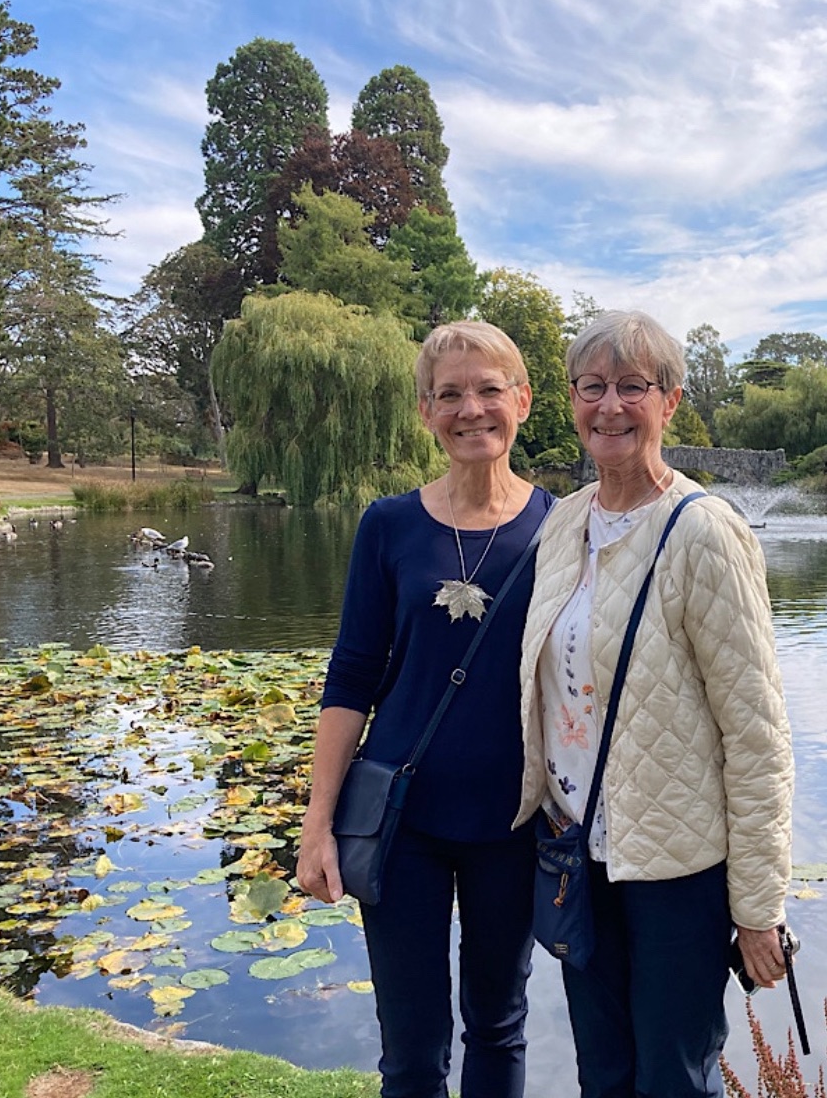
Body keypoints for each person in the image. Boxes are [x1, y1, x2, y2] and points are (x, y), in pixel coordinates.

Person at [515, 310, 795, 1098]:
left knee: (674, 1077)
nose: (610, 406)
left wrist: (758, 907)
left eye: (632, 386)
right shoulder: (563, 522)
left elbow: (757, 735)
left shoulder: (703, 532)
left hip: (676, 867)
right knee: (602, 1072)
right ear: (572, 401)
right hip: (576, 850)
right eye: (592, 387)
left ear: (669, 402)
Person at [296, 320, 554, 1098]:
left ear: (522, 400)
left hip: (513, 822)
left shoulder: (563, 527)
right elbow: (351, 676)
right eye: (449, 395)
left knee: (498, 1026)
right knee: (410, 1049)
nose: (470, 409)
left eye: (488, 390)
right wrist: (317, 823)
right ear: (425, 412)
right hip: (400, 820)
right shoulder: (389, 525)